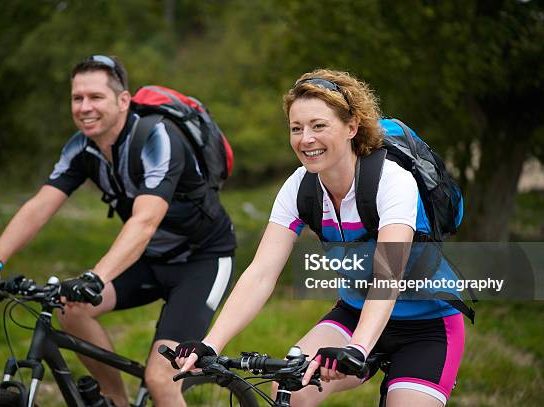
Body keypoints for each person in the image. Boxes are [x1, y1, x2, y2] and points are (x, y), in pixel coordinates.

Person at [174, 69, 465, 407]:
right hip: (355, 312)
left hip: (427, 326)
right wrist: (211, 343)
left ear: (352, 127)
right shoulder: (300, 188)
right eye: (296, 128)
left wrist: (357, 348)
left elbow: (388, 275)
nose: (305, 139)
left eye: (319, 125)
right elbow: (261, 274)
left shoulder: (392, 181)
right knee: (291, 390)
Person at [0, 55, 236, 407]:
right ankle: (117, 400)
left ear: (123, 101)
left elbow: (145, 221)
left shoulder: (157, 136)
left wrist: (95, 277)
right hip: (149, 258)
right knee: (69, 308)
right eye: (77, 98)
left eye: (95, 97)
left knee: (160, 378)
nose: (84, 107)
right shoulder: (82, 147)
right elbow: (40, 205)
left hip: (202, 261)